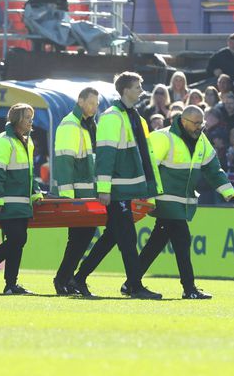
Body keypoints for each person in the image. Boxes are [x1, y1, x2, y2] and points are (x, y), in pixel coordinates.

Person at [68, 72, 163, 299]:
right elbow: (105, 155)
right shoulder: (113, 117)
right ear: (126, 90)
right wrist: (104, 189)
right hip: (117, 190)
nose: (141, 91)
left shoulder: (132, 116)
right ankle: (134, 286)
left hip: (124, 189)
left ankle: (78, 279)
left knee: (111, 236)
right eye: (138, 87)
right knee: (128, 239)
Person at [137, 106, 234, 299]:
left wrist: (227, 190)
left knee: (157, 243)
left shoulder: (201, 140)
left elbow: (213, 168)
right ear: (183, 121)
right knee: (182, 241)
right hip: (165, 201)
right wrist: (147, 196)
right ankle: (189, 288)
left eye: (202, 123)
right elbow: (147, 168)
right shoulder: (164, 137)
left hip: (180, 203)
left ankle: (132, 281)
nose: (200, 127)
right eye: (196, 123)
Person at [0, 103, 43, 295]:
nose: (31, 121)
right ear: (16, 120)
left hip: (21, 203)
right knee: (17, 239)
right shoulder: (4, 141)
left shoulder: (27, 142)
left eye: (31, 117)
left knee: (18, 242)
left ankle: (11, 285)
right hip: (6, 203)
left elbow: (30, 173)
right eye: (27, 117)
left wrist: (36, 193)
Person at [51, 87, 100, 295]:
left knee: (81, 238)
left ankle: (66, 278)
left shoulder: (87, 125)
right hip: (77, 195)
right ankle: (63, 279)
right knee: (79, 238)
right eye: (91, 103)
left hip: (86, 193)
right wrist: (67, 198)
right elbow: (64, 162)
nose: (94, 107)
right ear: (80, 101)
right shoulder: (71, 124)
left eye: (97, 104)